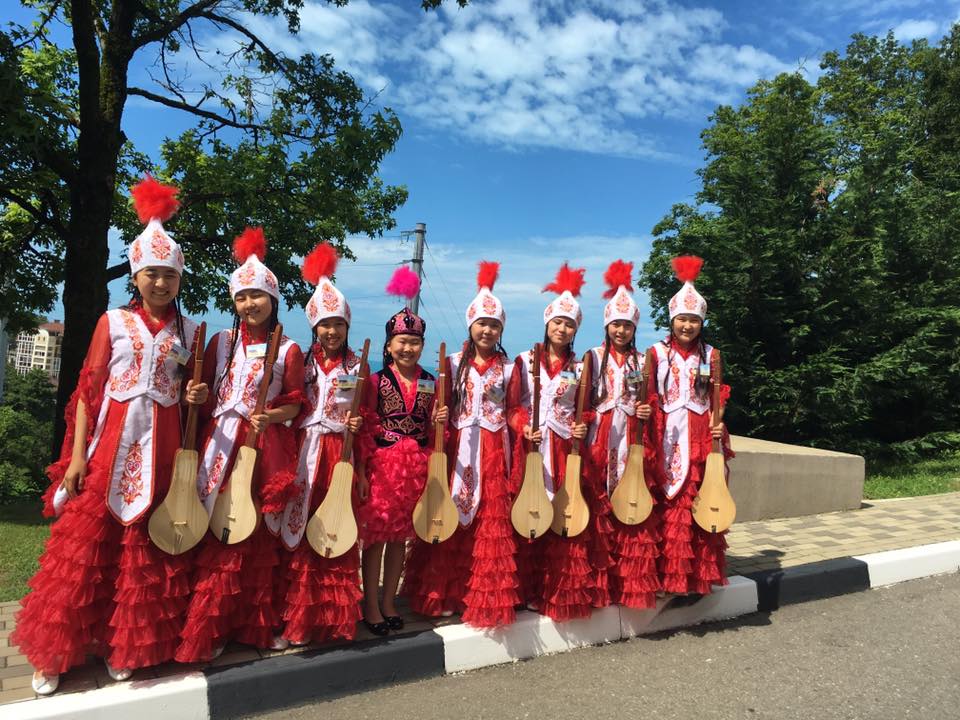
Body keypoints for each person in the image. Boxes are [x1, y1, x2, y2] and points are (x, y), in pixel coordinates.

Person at [13, 177, 205, 694]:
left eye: (169, 275)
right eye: (151, 274)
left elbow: (194, 397)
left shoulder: (190, 333)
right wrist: (76, 457)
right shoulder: (112, 322)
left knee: (144, 553)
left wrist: (195, 395)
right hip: (107, 452)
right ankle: (53, 654)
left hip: (163, 454)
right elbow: (87, 393)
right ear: (136, 276)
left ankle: (125, 647)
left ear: (179, 278)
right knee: (84, 554)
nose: (160, 283)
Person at [175, 227, 304, 662]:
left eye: (257, 296)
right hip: (217, 444)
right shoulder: (221, 342)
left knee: (253, 536)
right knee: (214, 528)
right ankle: (207, 626)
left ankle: (253, 625)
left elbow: (295, 403)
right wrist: (196, 396)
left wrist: (272, 416)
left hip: (261, 449)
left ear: (273, 299)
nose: (250, 305)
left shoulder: (288, 350)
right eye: (242, 297)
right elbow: (205, 391)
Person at [404, 261, 520, 627]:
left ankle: (482, 596)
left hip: (494, 451)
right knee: (450, 513)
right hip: (457, 450)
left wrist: (524, 426)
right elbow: (437, 407)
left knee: (488, 522)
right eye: (482, 323)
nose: (487, 330)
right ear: (470, 324)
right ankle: (445, 593)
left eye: (494, 325)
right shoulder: (451, 364)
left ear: (501, 329)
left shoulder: (510, 368)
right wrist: (437, 416)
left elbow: (515, 410)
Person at [268, 242, 368, 645]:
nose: (331, 332)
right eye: (325, 324)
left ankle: (328, 620)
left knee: (334, 531)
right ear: (314, 327)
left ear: (347, 326)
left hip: (339, 456)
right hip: (303, 454)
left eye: (338, 324)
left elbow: (368, 420)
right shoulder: (300, 360)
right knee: (296, 530)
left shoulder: (358, 367)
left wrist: (359, 435)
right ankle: (293, 620)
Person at [357, 266, 447, 636]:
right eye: (401, 341)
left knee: (400, 538)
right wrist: (362, 471)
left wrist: (439, 420)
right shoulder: (375, 380)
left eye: (414, 342)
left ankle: (389, 600)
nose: (407, 348)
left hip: (415, 470)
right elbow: (366, 425)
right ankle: (370, 602)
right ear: (389, 346)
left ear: (422, 346)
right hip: (382, 467)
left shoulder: (430, 381)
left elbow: (435, 430)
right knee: (377, 537)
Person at [506, 264, 597, 621]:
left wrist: (582, 425)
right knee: (527, 511)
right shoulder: (524, 360)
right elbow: (512, 406)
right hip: (529, 449)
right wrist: (521, 427)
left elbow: (586, 409)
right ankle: (521, 589)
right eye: (557, 322)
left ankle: (551, 590)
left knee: (560, 515)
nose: (562, 329)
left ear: (576, 330)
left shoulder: (581, 367)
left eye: (569, 324)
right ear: (547, 323)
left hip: (562, 450)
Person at [650, 256, 732, 596]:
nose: (687, 325)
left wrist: (718, 420)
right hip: (667, 435)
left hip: (700, 435)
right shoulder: (656, 353)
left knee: (700, 499)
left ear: (702, 322)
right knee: (668, 503)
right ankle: (665, 576)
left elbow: (718, 394)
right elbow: (649, 394)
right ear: (672, 320)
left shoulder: (711, 354)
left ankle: (695, 577)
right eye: (682, 319)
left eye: (694, 320)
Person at [588, 260, 660, 610]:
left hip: (631, 439)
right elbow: (581, 401)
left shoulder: (643, 361)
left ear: (634, 328)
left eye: (627, 325)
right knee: (599, 505)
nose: (621, 331)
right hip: (600, 439)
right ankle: (599, 584)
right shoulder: (592, 357)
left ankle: (627, 583)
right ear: (607, 325)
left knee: (630, 503)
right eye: (616, 324)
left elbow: (654, 399)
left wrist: (648, 410)